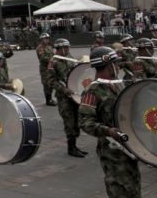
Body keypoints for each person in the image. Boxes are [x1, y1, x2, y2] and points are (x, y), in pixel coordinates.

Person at [79, 46, 141, 197]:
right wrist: (108, 131)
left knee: (134, 186)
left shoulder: (117, 83)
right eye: (116, 63)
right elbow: (85, 122)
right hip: (112, 151)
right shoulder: (92, 91)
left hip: (129, 145)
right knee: (119, 188)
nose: (119, 66)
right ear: (109, 65)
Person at [46, 38, 89, 157]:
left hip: (74, 94)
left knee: (76, 120)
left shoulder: (69, 57)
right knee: (69, 122)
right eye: (66, 47)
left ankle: (75, 146)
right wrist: (63, 89)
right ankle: (71, 148)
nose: (68, 49)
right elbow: (51, 81)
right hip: (64, 97)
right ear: (60, 48)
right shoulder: (53, 62)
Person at [36, 32, 56, 105]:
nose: (47, 40)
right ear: (42, 40)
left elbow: (53, 55)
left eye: (48, 39)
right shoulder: (40, 48)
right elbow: (42, 58)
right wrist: (52, 59)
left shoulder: (49, 47)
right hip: (44, 68)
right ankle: (48, 100)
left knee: (51, 83)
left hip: (50, 67)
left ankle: (50, 98)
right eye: (45, 39)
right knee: (46, 84)